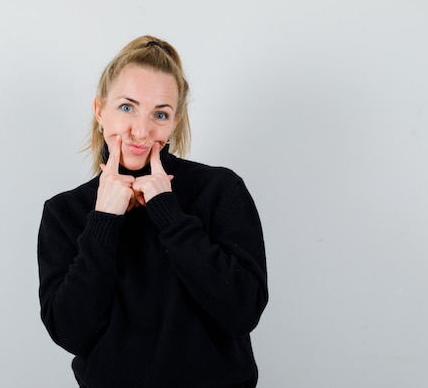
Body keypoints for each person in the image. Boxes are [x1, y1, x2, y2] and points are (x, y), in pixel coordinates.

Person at [37, 35, 268, 388]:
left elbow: (242, 312)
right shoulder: (65, 212)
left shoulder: (219, 190)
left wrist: (169, 214)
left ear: (174, 122)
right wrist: (103, 222)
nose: (141, 131)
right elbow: (72, 333)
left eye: (159, 114)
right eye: (127, 107)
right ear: (100, 111)